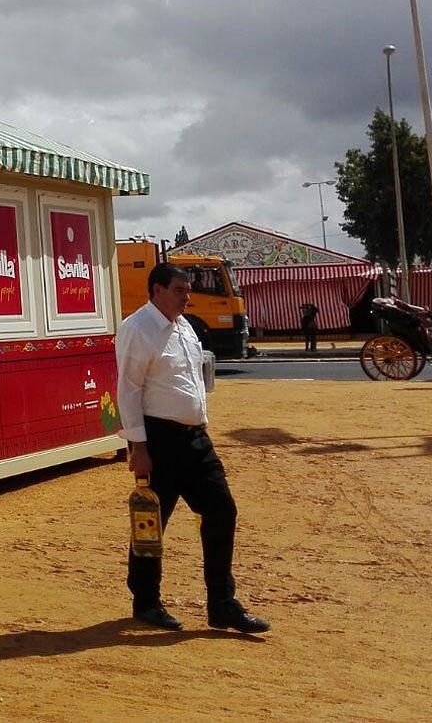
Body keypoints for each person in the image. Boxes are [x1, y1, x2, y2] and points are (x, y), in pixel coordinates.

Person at [116, 262, 270, 634]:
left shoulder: (183, 325)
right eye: (180, 290)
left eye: (187, 290)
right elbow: (129, 389)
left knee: (221, 509)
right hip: (158, 441)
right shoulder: (137, 330)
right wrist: (139, 447)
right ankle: (146, 601)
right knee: (152, 522)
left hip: (195, 439)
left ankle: (222, 604)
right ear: (157, 290)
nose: (187, 297)